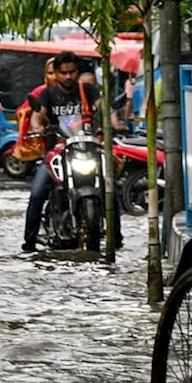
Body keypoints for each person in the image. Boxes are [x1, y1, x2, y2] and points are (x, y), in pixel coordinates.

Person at [22, 50, 121, 252]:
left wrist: (112, 123)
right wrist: (37, 127)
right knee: (37, 194)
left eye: (72, 72)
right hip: (57, 152)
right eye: (64, 72)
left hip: (88, 148)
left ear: (78, 72)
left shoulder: (88, 91)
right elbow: (37, 115)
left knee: (111, 188)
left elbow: (104, 108)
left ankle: (116, 236)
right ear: (56, 73)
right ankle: (29, 242)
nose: (68, 77)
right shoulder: (47, 94)